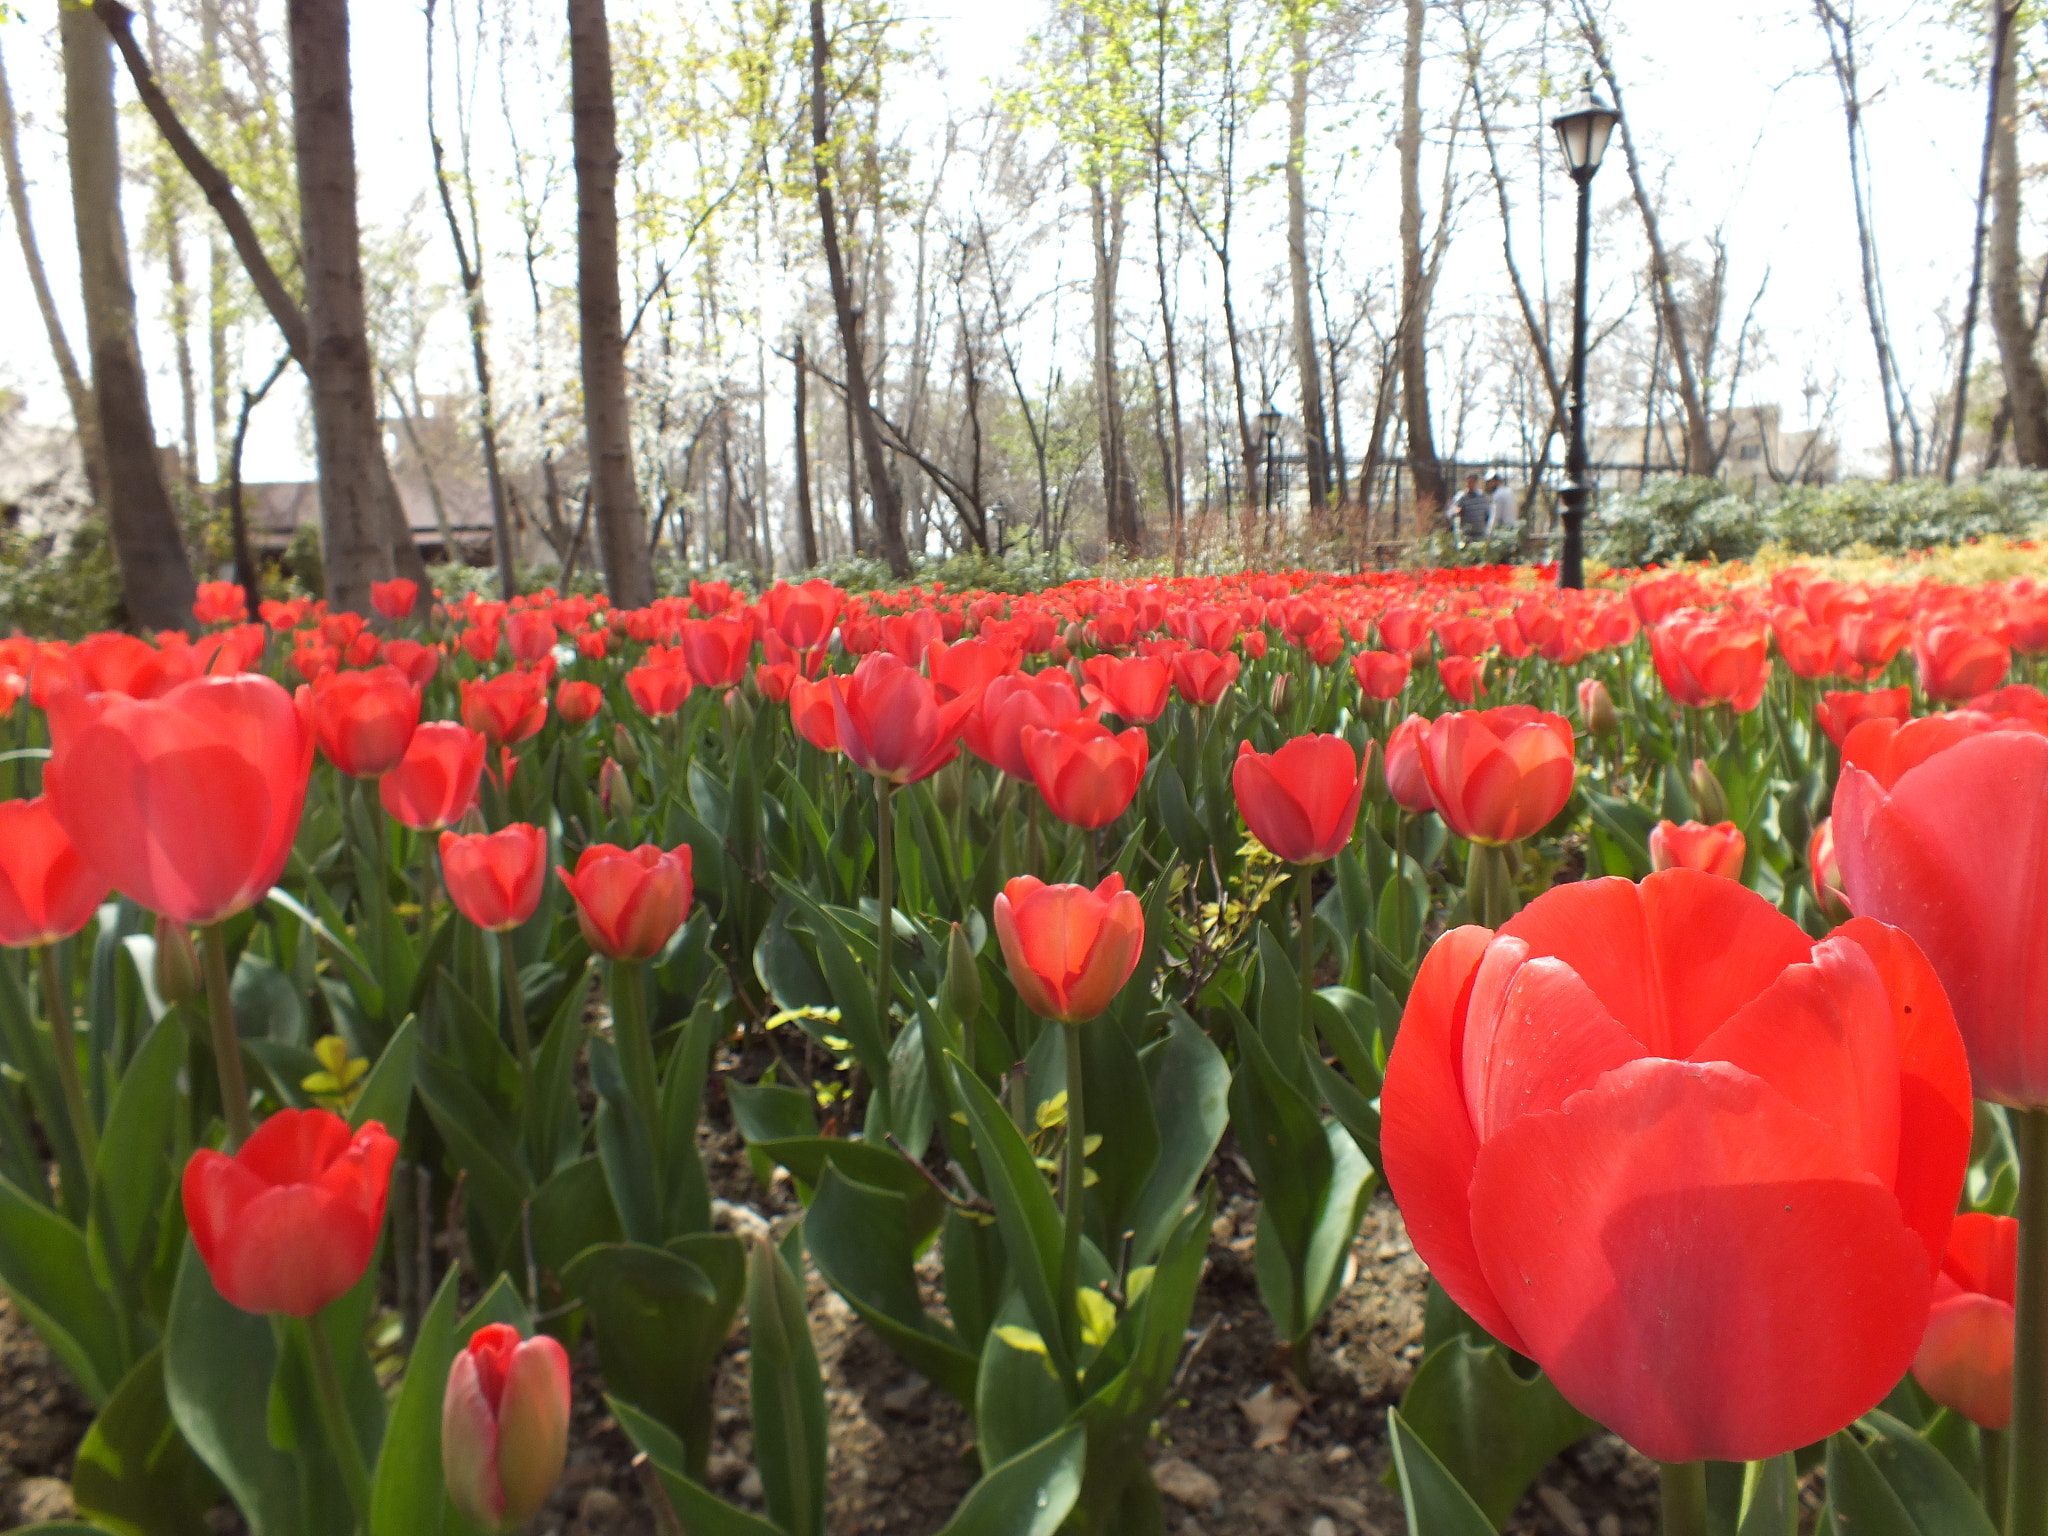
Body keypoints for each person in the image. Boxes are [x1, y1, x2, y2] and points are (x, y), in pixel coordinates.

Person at [1453, 474, 1490, 544]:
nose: (1471, 484)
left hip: (1480, 534)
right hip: (1466, 535)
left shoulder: (1482, 498)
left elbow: (1486, 514)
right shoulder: (1461, 498)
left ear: (1476, 483)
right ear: (1466, 483)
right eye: (1469, 482)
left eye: (1473, 482)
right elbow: (1454, 512)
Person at [1487, 475, 1519, 540]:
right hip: (1512, 530)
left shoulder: (1497, 495)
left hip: (1502, 532)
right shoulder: (1508, 492)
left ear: (1495, 482)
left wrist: (1489, 532)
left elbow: (1495, 516)